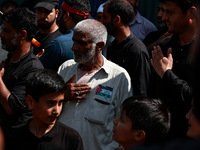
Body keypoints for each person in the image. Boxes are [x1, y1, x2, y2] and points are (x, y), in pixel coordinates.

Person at [57, 19, 132, 150]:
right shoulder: (65, 69)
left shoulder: (118, 77)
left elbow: (125, 121)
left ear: (100, 46)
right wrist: (62, 96)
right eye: (74, 41)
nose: (73, 48)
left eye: (81, 43)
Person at [150, 0, 199, 139]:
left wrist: (167, 75)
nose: (164, 17)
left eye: (169, 12)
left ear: (191, 13)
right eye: (163, 11)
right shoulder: (163, 47)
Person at [6, 69, 83, 150]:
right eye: (51, 103)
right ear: (30, 102)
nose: (57, 111)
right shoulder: (16, 138)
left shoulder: (71, 139)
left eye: (60, 103)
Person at [0, 8, 44, 137]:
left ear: (22, 35)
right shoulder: (8, 61)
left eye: (6, 31)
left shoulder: (33, 68)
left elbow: (11, 107)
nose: (1, 34)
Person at [102, 0, 151, 96]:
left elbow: (142, 91)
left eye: (105, 17)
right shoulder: (112, 46)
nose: (102, 21)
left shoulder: (137, 50)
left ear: (117, 19)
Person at [39, 0, 91, 71]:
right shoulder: (95, 41)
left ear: (66, 16)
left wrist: (35, 61)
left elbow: (37, 72)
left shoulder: (58, 45)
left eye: (60, 13)